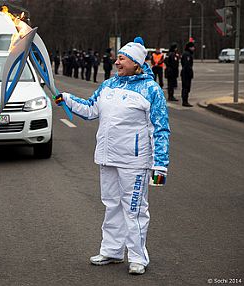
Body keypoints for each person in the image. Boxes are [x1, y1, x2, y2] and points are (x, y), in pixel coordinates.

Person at [54, 37, 170, 275]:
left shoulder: (150, 89)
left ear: (136, 63)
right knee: (111, 205)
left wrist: (160, 165)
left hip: (134, 161)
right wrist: (66, 99)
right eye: (117, 57)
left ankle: (138, 257)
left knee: (135, 209)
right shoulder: (108, 85)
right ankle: (112, 250)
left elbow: (161, 129)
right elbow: (90, 109)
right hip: (107, 157)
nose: (116, 61)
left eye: (122, 58)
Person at [180, 41, 195, 107]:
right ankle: (185, 101)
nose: (194, 48)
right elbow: (187, 65)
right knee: (186, 87)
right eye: (192, 47)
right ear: (189, 47)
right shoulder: (187, 55)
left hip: (186, 73)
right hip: (186, 73)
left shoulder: (187, 54)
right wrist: (189, 73)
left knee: (186, 87)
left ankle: (185, 100)